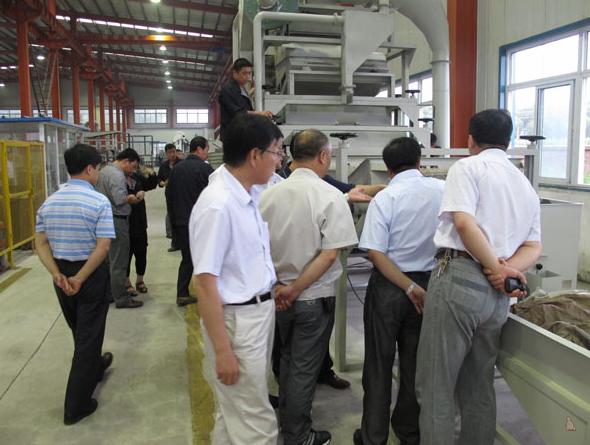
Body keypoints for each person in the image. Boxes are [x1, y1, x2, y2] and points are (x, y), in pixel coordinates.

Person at [415, 109, 542, 445]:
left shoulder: (468, 167)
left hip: (460, 279)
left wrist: (497, 268)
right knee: (479, 385)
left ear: (470, 140)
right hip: (498, 297)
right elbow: (534, 246)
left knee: (437, 386)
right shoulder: (524, 185)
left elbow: (463, 223)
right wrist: (506, 271)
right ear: (509, 140)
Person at [260, 129, 358, 445]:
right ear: (323, 156)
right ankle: (298, 435)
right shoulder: (329, 195)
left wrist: (283, 287)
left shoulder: (268, 194)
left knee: (287, 360)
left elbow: (258, 247)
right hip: (312, 298)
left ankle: (288, 420)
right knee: (303, 369)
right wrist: (297, 289)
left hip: (277, 295)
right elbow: (330, 255)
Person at [191, 114, 282, 444]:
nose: (279, 160)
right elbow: (205, 284)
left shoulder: (247, 195)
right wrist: (223, 350)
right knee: (257, 423)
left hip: (254, 315)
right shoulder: (218, 205)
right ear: (255, 155)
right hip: (238, 323)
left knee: (233, 414)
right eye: (277, 152)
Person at [353, 137, 445, 445]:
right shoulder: (442, 190)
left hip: (390, 286)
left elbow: (375, 253)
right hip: (429, 285)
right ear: (419, 161)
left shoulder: (386, 198)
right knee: (416, 364)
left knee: (378, 365)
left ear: (388, 168)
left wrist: (407, 286)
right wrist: (417, 288)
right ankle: (408, 430)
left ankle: (373, 436)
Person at [35, 143, 115, 425]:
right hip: (88, 274)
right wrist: (80, 278)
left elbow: (40, 243)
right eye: (98, 168)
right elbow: (103, 247)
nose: (98, 173)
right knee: (87, 336)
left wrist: (56, 274)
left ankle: (95, 365)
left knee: (81, 329)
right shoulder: (98, 202)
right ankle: (76, 406)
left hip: (62, 274)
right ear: (90, 169)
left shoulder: (49, 202)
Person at [166, 136, 214, 307]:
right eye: (206, 149)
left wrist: (173, 222)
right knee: (204, 258)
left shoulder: (177, 169)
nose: (207, 153)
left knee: (187, 258)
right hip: (200, 223)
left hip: (181, 221)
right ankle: (202, 293)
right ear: (199, 149)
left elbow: (169, 196)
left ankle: (183, 292)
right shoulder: (206, 170)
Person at [96, 148, 143, 309]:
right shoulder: (117, 175)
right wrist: (133, 198)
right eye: (133, 166)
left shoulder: (104, 171)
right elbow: (119, 199)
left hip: (105, 220)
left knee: (108, 260)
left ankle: (110, 293)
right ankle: (122, 298)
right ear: (126, 161)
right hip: (117, 220)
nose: (133, 171)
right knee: (119, 261)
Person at [218, 58, 273, 140]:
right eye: (244, 73)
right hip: (233, 135)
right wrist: (259, 113)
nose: (247, 76)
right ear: (235, 73)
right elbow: (238, 113)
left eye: (249, 73)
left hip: (242, 133)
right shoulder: (228, 90)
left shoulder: (241, 88)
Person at [125, 165, 158, 296]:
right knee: (126, 255)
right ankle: (127, 283)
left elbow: (151, 185)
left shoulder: (136, 177)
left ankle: (140, 280)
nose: (132, 169)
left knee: (141, 253)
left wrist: (152, 174)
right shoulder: (118, 181)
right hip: (125, 223)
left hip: (140, 222)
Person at [158, 143, 179, 252]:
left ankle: (184, 242)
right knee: (172, 217)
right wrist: (162, 183)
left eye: (174, 152)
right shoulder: (164, 166)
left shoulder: (181, 163)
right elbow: (159, 179)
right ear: (166, 154)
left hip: (181, 193)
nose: (172, 154)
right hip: (170, 194)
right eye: (170, 152)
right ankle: (175, 243)